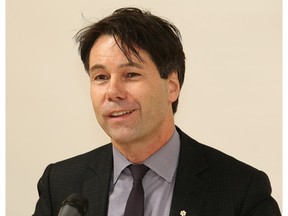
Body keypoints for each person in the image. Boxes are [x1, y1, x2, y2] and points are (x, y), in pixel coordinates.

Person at [33, 7, 281, 216]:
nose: (113, 91)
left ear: (172, 87)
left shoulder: (241, 191)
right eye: (100, 77)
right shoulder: (60, 185)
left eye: (131, 74)